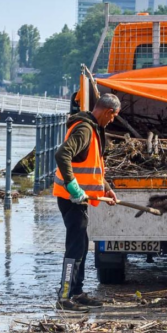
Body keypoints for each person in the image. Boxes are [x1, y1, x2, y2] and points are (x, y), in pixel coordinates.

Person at [53, 93, 120, 311]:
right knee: (74, 248)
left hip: (79, 198)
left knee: (81, 244)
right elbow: (62, 154)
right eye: (113, 117)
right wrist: (73, 187)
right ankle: (64, 297)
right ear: (109, 111)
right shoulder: (85, 129)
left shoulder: (92, 129)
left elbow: (95, 169)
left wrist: (107, 189)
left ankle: (77, 292)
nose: (112, 122)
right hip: (71, 197)